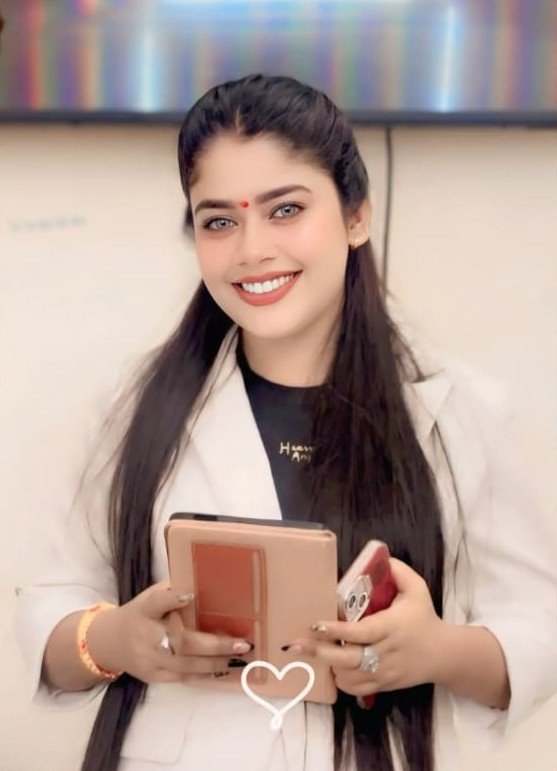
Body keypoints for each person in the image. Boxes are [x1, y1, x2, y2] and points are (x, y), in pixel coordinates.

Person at [15, 73, 557, 771]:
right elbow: (51, 607)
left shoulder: (459, 408)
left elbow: (538, 627)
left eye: (286, 210)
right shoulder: (131, 404)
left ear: (356, 216)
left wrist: (433, 651)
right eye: (219, 221)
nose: (251, 250)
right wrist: (115, 640)